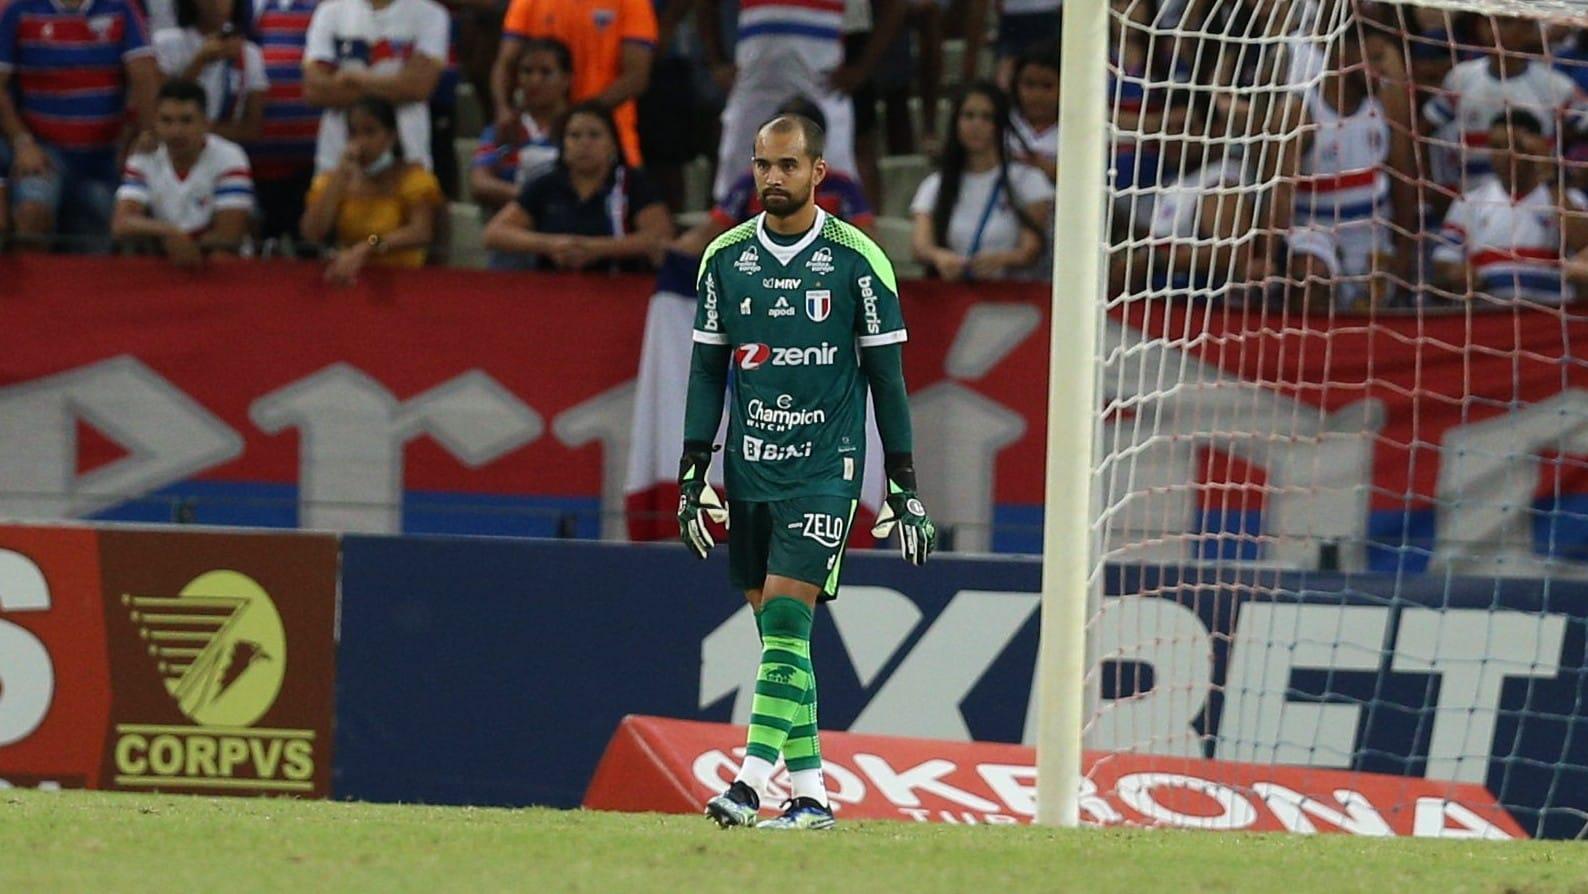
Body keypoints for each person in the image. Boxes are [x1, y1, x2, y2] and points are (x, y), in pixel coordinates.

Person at [681, 113, 936, 832]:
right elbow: (706, 372)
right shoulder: (724, 260)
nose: (773, 178)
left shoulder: (858, 260)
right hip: (751, 468)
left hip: (827, 468)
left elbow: (889, 382)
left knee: (789, 619)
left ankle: (747, 784)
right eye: (764, 164)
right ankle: (813, 795)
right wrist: (692, 470)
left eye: (789, 165)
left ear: (819, 172)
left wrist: (904, 487)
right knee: (779, 644)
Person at [0, 0, 160, 248]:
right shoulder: (19, 10)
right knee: (32, 212)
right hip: (45, 152)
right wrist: (22, 143)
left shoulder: (121, 9)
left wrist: (145, 134)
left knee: (111, 234)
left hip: (104, 157)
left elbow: (144, 75)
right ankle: (31, 285)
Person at [1284, 27, 1418, 311]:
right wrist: (1272, 256)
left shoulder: (1386, 104)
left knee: (1371, 305)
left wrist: (1405, 250)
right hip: (1314, 233)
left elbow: (1403, 178)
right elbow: (1280, 195)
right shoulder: (1301, 111)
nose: (1382, 69)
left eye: (1382, 58)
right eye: (1373, 59)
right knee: (1311, 278)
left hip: (1370, 236)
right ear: (1341, 58)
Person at [698, 0, 859, 204]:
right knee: (734, 187)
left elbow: (893, 6)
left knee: (836, 185)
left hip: (820, 86)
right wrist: (716, 62)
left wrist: (862, 69)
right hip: (755, 85)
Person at [481, 100, 673, 271]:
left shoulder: (633, 184)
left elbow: (659, 237)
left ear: (613, 144)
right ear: (563, 145)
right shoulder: (546, 185)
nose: (584, 144)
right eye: (575, 136)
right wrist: (550, 245)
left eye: (594, 135)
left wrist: (595, 249)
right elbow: (494, 234)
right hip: (551, 290)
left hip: (619, 285)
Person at [674, 95, 874, 258]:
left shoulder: (841, 188)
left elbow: (867, 244)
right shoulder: (750, 184)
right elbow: (708, 234)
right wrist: (670, 248)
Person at [1423, 15, 1587, 202]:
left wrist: (1573, 181)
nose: (1493, 29)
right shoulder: (1460, 78)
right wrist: (1435, 185)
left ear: (1528, 29)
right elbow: (1424, 129)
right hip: (1474, 205)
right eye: (1487, 21)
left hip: (1535, 206)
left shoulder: (1555, 85)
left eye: (1504, 21)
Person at [1435, 108, 1588, 305]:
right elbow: (1444, 260)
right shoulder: (1469, 202)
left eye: (1516, 146)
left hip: (1550, 317)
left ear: (1538, 147)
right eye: (1497, 146)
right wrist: (1457, 272)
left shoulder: (1569, 199)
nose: (1505, 154)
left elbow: (1584, 244)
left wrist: (1550, 178)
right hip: (1491, 316)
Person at [909, 81, 1052, 281]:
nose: (976, 125)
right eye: (968, 116)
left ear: (1000, 125)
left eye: (987, 117)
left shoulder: (1029, 181)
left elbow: (1031, 249)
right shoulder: (935, 184)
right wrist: (939, 257)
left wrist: (1002, 260)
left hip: (1014, 296)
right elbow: (920, 246)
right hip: (955, 296)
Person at [492, 0, 656, 167]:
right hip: (540, 132)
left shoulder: (632, 3)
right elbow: (506, 62)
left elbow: (636, 77)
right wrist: (503, 108)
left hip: (608, 134)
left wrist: (579, 116)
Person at [299, 95, 444, 282]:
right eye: (353, 133)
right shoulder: (334, 181)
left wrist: (369, 246)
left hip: (403, 280)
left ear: (391, 136)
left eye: (370, 132)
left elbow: (420, 231)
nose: (361, 143)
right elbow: (312, 233)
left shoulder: (412, 179)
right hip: (351, 279)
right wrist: (339, 179)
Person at [112, 80, 255, 263]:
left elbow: (228, 236)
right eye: (166, 121)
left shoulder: (230, 157)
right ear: (155, 122)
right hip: (164, 258)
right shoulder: (144, 156)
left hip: (217, 263)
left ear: (205, 123)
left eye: (186, 121)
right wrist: (171, 233)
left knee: (223, 257)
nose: (176, 131)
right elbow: (121, 223)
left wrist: (178, 241)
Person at [301, 0, 449, 173]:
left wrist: (353, 78)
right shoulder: (329, 12)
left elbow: (419, 88)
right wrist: (396, 85)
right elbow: (314, 91)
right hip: (336, 160)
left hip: (408, 159)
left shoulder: (430, 14)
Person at [469, 36, 569, 214]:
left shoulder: (578, 127)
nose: (535, 81)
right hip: (515, 224)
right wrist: (532, 196)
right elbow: (479, 183)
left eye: (546, 72)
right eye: (527, 71)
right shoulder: (504, 129)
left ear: (567, 79)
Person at [252, 0, 323, 242]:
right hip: (244, 163)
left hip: (312, 165)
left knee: (309, 254)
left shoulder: (329, 8)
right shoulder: (232, 8)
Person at [154, 0, 270, 144]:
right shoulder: (166, 43)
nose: (216, 3)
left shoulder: (249, 52)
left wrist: (196, 131)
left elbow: (252, 129)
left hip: (224, 154)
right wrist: (200, 61)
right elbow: (161, 110)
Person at [1007, 39, 1059, 181]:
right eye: (1029, 84)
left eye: (1047, 86)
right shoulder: (1001, 124)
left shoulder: (1078, 131)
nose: (1037, 96)